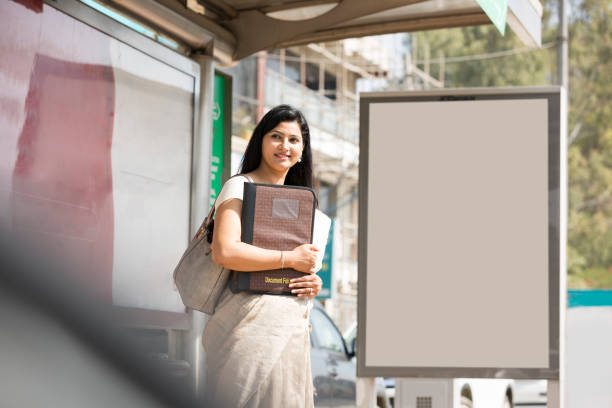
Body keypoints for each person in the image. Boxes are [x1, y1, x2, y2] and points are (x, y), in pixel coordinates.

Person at [203, 105, 323, 408]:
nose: (285, 147)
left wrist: (311, 283)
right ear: (261, 140)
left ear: (303, 148)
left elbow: (301, 263)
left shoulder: (302, 198)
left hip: (291, 330)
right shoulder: (240, 186)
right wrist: (290, 258)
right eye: (276, 136)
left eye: (294, 140)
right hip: (246, 329)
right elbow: (225, 251)